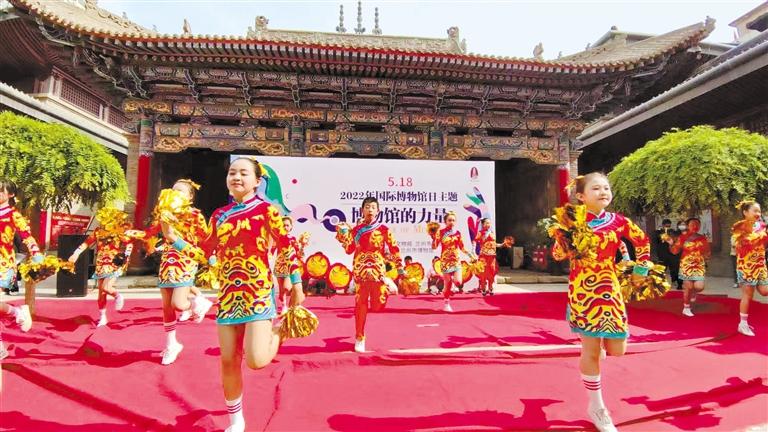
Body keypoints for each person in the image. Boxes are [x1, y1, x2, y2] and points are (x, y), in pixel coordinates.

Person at [161, 157, 304, 432]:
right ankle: (236, 421)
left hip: (257, 291)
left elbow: (287, 247)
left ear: (257, 181)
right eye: (232, 173)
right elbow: (204, 253)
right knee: (229, 360)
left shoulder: (267, 211)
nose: (236, 177)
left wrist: (296, 283)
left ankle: (280, 331)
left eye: (243, 173)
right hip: (228, 295)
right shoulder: (219, 215)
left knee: (256, 361)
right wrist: (173, 238)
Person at [551, 173, 651, 432]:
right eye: (596, 188)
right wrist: (564, 239)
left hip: (610, 287)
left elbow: (642, 241)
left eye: (606, 187)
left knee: (618, 349)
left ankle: (592, 345)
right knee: (592, 350)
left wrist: (641, 269)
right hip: (583, 291)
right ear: (581, 196)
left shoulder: (619, 221)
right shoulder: (572, 221)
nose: (603, 191)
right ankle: (597, 406)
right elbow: (557, 254)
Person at [143, 179, 213, 365]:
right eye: (173, 190)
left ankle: (198, 303)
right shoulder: (164, 213)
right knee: (167, 306)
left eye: (181, 191)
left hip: (186, 259)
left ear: (190, 197)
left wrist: (209, 257)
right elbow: (152, 232)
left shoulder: (195, 215)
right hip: (168, 260)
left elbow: (205, 238)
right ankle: (171, 344)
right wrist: (139, 236)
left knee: (179, 304)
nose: (175, 193)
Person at [335, 197, 403, 353]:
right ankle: (359, 337)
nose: (370, 210)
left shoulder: (384, 229)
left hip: (378, 270)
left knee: (377, 306)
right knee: (361, 303)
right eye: (367, 207)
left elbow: (394, 248)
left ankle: (386, 283)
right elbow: (349, 250)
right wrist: (343, 236)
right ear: (362, 210)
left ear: (378, 211)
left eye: (373, 207)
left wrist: (400, 267)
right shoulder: (356, 230)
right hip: (361, 270)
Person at [68, 208, 141, 327]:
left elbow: (129, 243)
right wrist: (76, 253)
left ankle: (118, 296)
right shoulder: (98, 231)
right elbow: (86, 243)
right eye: (102, 219)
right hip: (101, 264)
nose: (103, 222)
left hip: (114, 264)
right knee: (101, 294)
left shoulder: (118, 231)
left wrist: (126, 256)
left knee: (106, 287)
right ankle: (103, 317)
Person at [0, 180, 41, 354]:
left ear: (10, 194)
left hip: (4, 264)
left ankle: (16, 312)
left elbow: (26, 235)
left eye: (1, 191)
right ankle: (17, 312)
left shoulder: (13, 214)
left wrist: (36, 252)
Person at [732, 200, 768, 337]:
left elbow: (764, 244)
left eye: (759, 211)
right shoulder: (739, 227)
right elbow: (738, 246)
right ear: (745, 212)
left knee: (765, 291)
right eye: (755, 211)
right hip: (746, 266)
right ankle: (743, 324)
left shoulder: (762, 226)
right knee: (748, 295)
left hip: (760, 264)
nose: (758, 213)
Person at [430, 211, 474, 312]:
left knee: (458, 282)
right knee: (448, 283)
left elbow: (462, 248)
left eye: (453, 220)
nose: (451, 222)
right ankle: (446, 303)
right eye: (449, 220)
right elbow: (434, 247)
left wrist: (470, 255)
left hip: (456, 261)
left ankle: (452, 286)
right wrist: (433, 238)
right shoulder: (441, 232)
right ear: (445, 221)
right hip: (445, 262)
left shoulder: (457, 233)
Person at [669, 218, 710, 317]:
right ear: (687, 226)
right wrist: (671, 244)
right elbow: (675, 251)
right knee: (688, 287)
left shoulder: (702, 238)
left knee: (699, 287)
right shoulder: (683, 237)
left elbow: (707, 251)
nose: (695, 226)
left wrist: (706, 260)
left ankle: (693, 293)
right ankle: (686, 307)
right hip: (686, 265)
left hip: (698, 266)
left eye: (697, 224)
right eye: (692, 224)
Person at [274, 217, 307, 314]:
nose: (285, 227)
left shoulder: (293, 239)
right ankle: (284, 305)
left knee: (290, 288)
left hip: (292, 266)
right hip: (281, 266)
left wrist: (302, 246)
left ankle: (293, 306)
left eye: (287, 225)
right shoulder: (277, 238)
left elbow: (298, 254)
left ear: (291, 227)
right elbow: (271, 250)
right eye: (283, 225)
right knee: (282, 290)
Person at [653, 219, 681, 290]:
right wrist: (663, 234)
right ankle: (659, 283)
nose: (667, 227)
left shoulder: (673, 232)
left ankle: (674, 282)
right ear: (663, 225)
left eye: (669, 226)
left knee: (674, 269)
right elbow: (655, 240)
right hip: (662, 255)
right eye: (666, 226)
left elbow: (675, 239)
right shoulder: (658, 232)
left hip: (672, 255)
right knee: (661, 269)